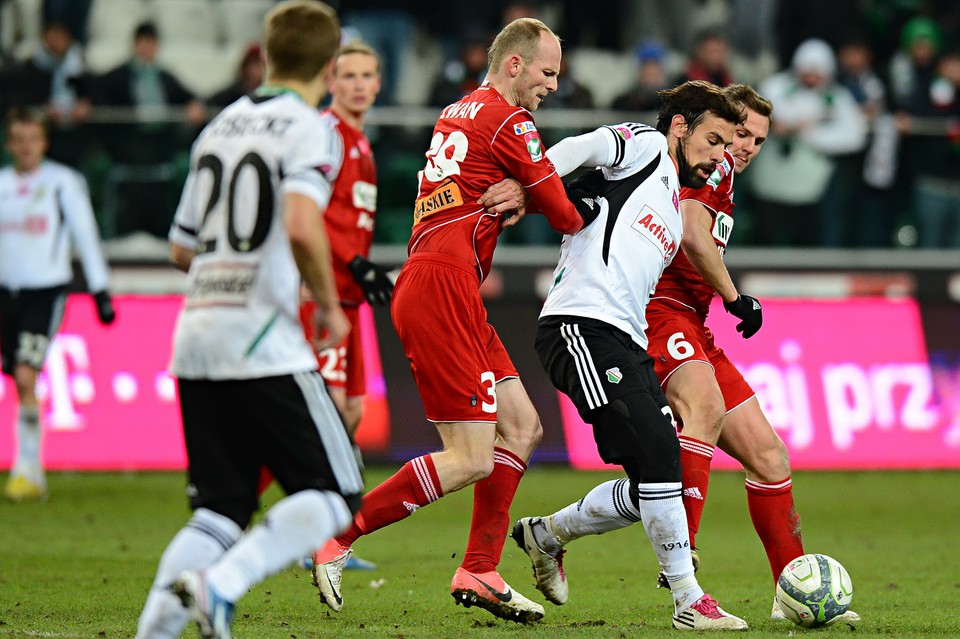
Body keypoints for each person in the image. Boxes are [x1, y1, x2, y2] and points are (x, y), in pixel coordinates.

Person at [512, 84, 860, 625]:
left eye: (757, 140)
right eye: (736, 133)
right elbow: (695, 235)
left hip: (692, 325)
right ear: (699, 128)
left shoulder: (712, 173)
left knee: (768, 459)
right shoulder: (694, 168)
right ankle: (685, 555)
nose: (743, 148)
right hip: (658, 315)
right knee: (698, 415)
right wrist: (735, 296)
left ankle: (793, 588)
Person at [310, 17, 596, 624]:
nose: (551, 86)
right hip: (442, 286)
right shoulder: (510, 120)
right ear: (514, 64)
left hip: (448, 283)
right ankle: (337, 537)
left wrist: (518, 186)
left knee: (521, 428)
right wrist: (551, 192)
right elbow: (568, 216)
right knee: (470, 456)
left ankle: (480, 568)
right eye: (547, 73)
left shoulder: (459, 109)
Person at [133, 4, 364, 639]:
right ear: (328, 63)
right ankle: (221, 586)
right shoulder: (309, 128)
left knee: (219, 509)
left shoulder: (220, 125)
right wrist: (328, 305)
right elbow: (298, 222)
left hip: (197, 333)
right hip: (264, 341)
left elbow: (182, 247)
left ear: (265, 55)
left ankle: (153, 631)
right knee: (336, 493)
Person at [513, 80, 748, 631]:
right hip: (579, 327)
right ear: (680, 127)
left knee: (658, 477)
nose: (718, 157)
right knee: (661, 457)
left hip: (625, 337)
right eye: (712, 140)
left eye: (725, 146)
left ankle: (546, 534)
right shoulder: (643, 145)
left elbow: (590, 201)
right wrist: (531, 184)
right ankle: (689, 601)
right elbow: (581, 148)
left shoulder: (668, 202)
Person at [0, 107, 115, 502]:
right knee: (18, 379)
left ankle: (26, 468)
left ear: (44, 142)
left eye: (33, 138)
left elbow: (85, 232)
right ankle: (30, 470)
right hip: (5, 294)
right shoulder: (1, 184)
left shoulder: (62, 182)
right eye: (19, 139)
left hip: (44, 292)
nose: (26, 146)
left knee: (26, 374)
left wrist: (100, 290)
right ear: (9, 144)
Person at [206, 42, 266, 109]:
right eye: (255, 64)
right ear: (245, 66)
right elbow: (211, 102)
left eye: (262, 64)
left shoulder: (268, 92)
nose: (259, 69)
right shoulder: (234, 92)